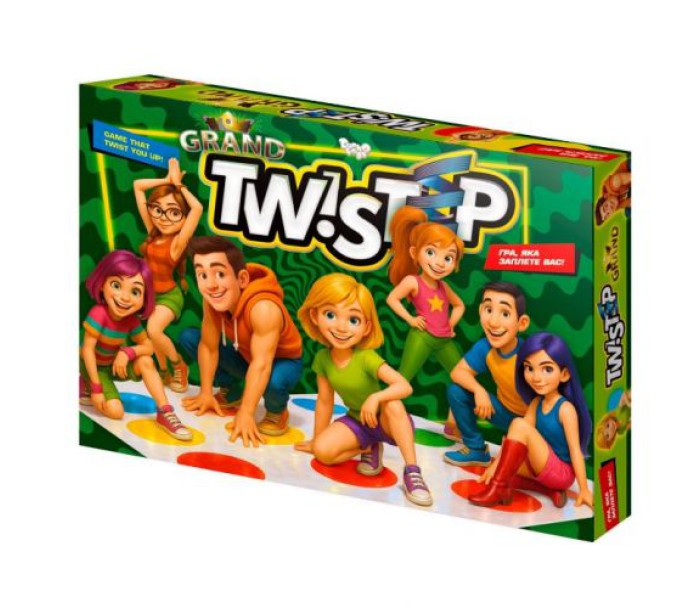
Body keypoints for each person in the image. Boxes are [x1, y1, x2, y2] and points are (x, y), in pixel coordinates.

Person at [295, 274, 432, 507]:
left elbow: (404, 386)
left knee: (393, 403)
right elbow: (325, 401)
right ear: (315, 316)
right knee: (322, 452)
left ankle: (412, 471)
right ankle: (368, 446)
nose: (341, 327)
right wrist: (317, 439)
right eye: (330, 315)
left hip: (388, 421)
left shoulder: (366, 357)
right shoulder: (323, 358)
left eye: (353, 320)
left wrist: (376, 397)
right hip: (358, 422)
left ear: (366, 326)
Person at [178, 236, 302, 446]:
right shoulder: (212, 300)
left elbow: (262, 364)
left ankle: (277, 411)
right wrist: (206, 392)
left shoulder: (264, 308)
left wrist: (246, 412)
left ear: (242, 279)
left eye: (219, 274)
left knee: (273, 382)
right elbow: (208, 346)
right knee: (190, 338)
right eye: (202, 275)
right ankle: (232, 390)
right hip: (246, 355)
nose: (211, 285)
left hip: (281, 361)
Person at [468, 332, 593, 509]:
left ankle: (498, 488)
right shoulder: (536, 403)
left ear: (564, 374)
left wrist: (584, 490)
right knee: (506, 466)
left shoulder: (565, 409)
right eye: (529, 368)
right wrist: (495, 466)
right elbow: (515, 439)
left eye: (547, 369)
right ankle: (548, 491)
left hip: (561, 473)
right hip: (543, 466)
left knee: (518, 425)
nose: (536, 377)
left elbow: (575, 451)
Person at [79, 250, 192, 440]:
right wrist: (96, 388)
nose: (125, 297)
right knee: (116, 412)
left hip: (115, 365)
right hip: (94, 368)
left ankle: (165, 412)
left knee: (146, 360)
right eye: (116, 285)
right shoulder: (99, 314)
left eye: (135, 291)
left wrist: (128, 352)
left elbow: (148, 346)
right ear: (102, 284)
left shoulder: (131, 320)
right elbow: (87, 350)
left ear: (144, 297)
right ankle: (85, 383)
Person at [386, 206, 465, 440]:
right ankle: (385, 420)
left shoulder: (443, 286)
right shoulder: (413, 281)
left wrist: (450, 325)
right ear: (415, 252)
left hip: (443, 340)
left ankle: (453, 423)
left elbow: (460, 306)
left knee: (462, 377)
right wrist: (411, 319)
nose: (440, 263)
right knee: (402, 379)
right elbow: (392, 299)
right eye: (431, 252)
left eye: (448, 258)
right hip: (421, 337)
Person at [133, 158, 203, 393]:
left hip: (170, 296)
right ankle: (163, 371)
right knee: (152, 335)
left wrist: (179, 186)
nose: (164, 217)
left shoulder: (177, 243)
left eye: (174, 212)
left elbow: (197, 209)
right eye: (158, 210)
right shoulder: (153, 233)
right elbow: (138, 186)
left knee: (154, 330)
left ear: (182, 217)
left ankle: (178, 364)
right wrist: (166, 180)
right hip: (150, 295)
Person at [443, 282, 530, 466]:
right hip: (502, 411)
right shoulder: (485, 347)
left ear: (521, 323)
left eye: (505, 314)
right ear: (480, 310)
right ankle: (476, 449)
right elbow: (458, 372)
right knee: (456, 391)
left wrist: (521, 432)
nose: (493, 322)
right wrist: (479, 390)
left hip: (531, 424)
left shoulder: (528, 355)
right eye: (488, 310)